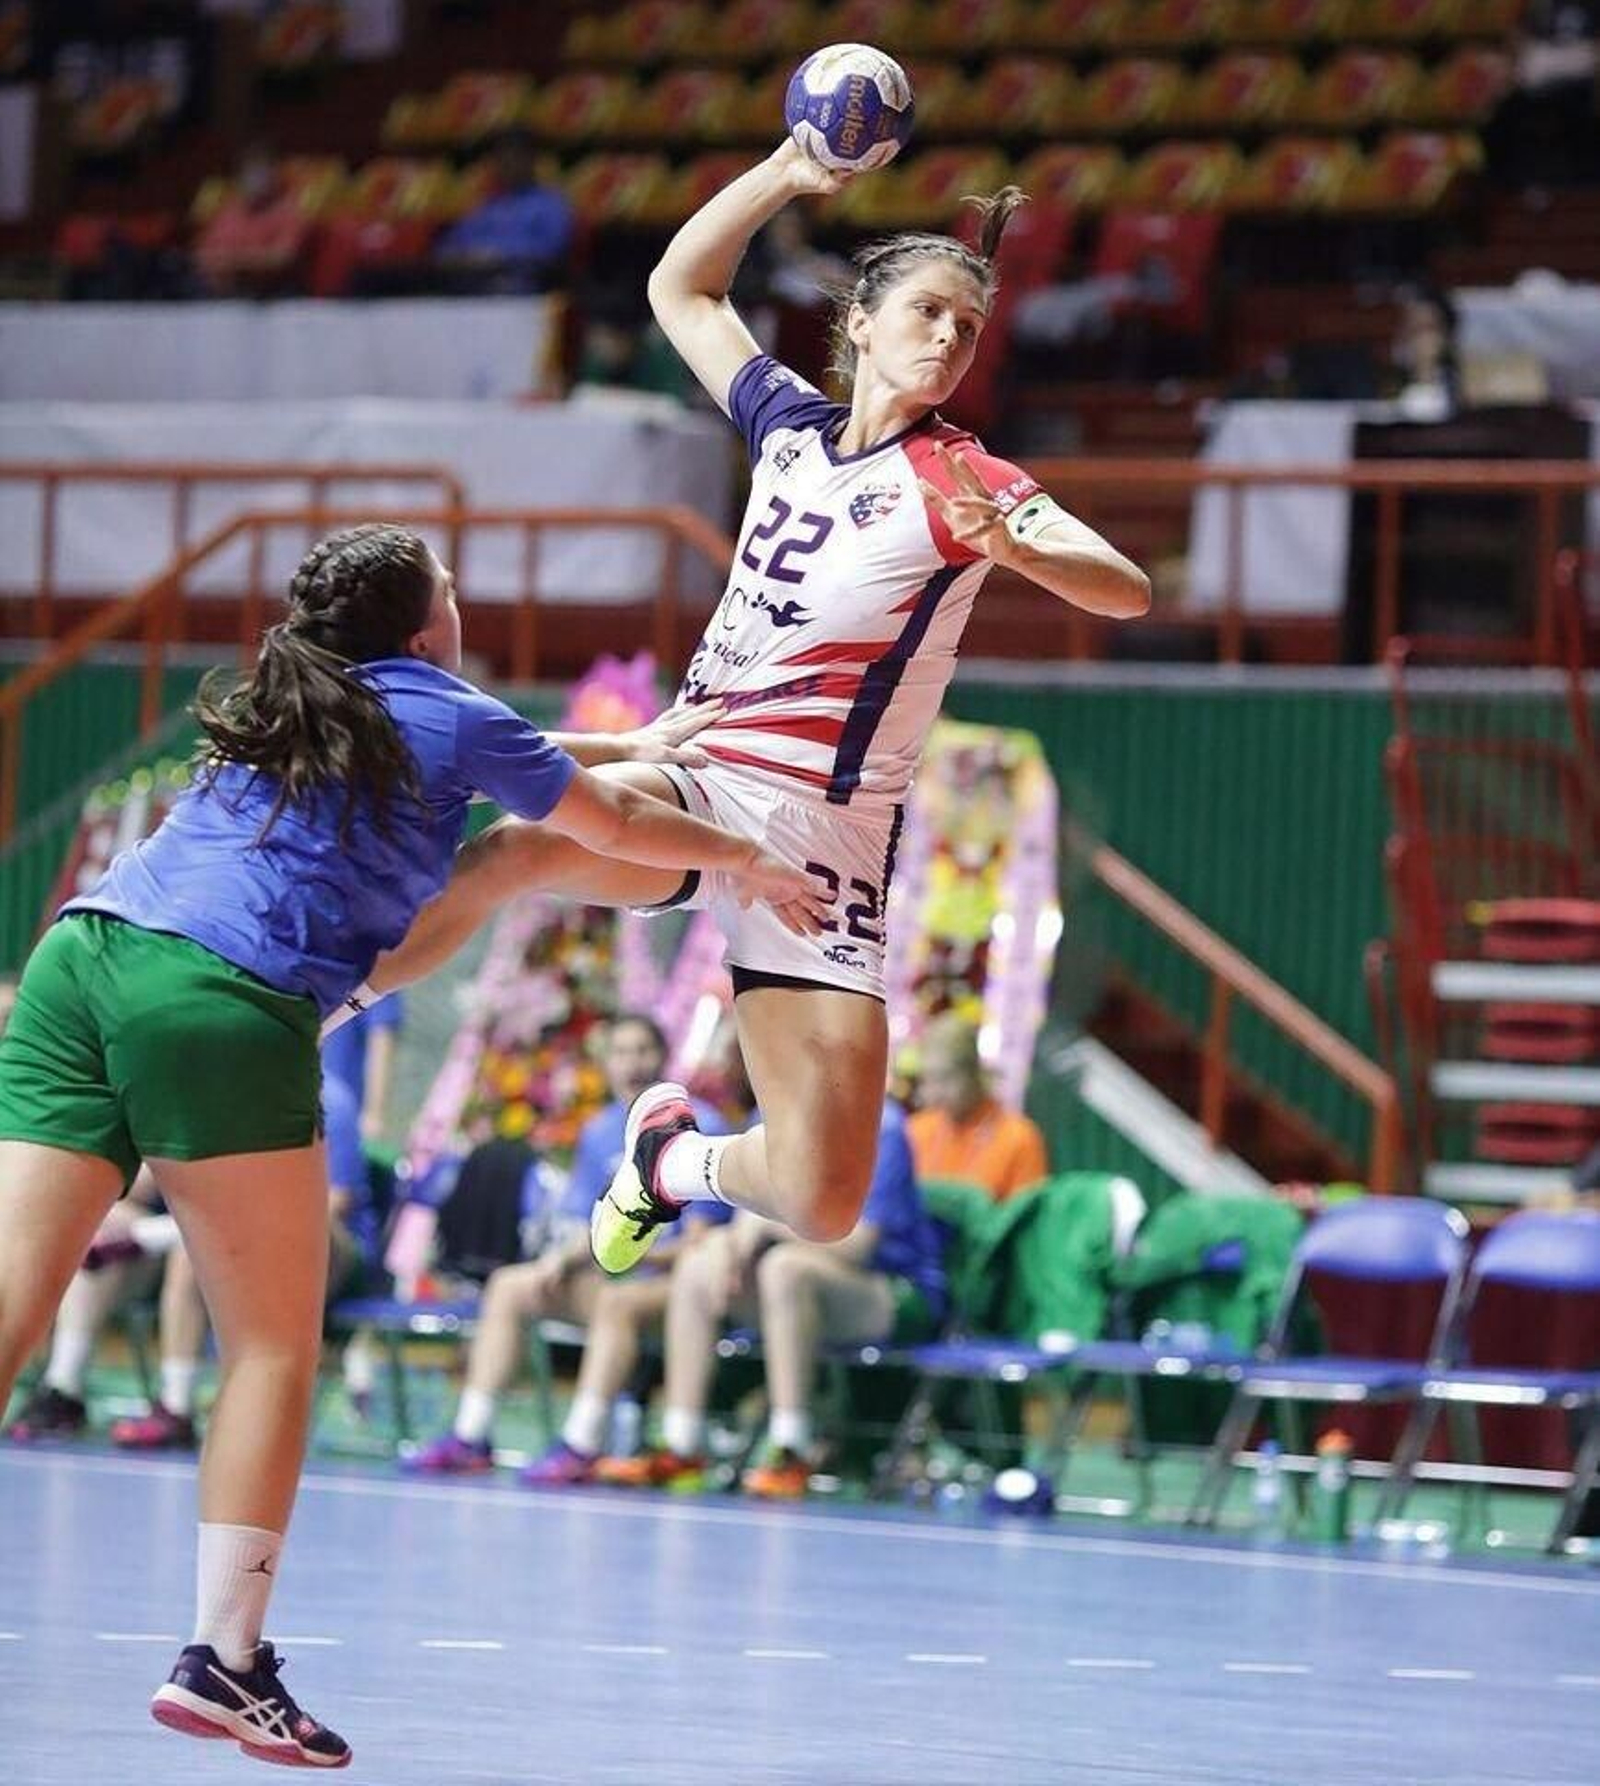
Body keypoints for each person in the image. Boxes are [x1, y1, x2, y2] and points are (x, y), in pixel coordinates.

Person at [0, 522, 816, 1769]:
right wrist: (749, 861)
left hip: (83, 957)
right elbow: (601, 818)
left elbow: (529, 779)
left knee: (15, 1293)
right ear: (428, 622)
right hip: (218, 999)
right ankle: (225, 1658)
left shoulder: (303, 691)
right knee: (271, 1343)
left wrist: (638, 744)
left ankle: (227, 1653)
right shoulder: (443, 704)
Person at [337, 138, 1148, 1283]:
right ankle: (310, 1019)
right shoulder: (788, 425)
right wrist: (786, 171)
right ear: (860, 323)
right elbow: (682, 286)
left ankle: (671, 1164)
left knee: (822, 1196)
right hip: (702, 767)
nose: (948, 341)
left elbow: (1125, 588)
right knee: (516, 849)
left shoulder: (966, 476)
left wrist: (1024, 544)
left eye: (967, 329)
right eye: (926, 313)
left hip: (825, 838)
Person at [402, 1012, 730, 1482]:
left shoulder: (703, 1123)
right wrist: (559, 1261)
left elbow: (699, 1243)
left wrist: (627, 1252)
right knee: (511, 1285)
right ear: (606, 1063)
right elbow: (585, 1224)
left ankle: (582, 1443)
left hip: (673, 1288)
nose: (632, 1062)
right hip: (611, 1275)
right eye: (620, 1052)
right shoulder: (599, 1131)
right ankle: (470, 1435)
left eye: (642, 1050)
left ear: (662, 1057)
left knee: (618, 1301)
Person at [598, 1100, 945, 1497]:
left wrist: (765, 1227)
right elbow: (733, 1225)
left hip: (892, 1291)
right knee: (696, 1267)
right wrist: (723, 1244)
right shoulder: (766, 1121)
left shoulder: (882, 1126)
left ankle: (790, 1448)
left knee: (785, 1269)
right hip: (795, 1291)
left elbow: (859, 1245)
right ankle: (682, 1445)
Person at [905, 1013, 1049, 1203]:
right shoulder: (915, 1130)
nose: (936, 1094)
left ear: (974, 1074)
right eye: (929, 1080)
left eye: (946, 1079)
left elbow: (1027, 1222)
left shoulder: (1020, 1138)